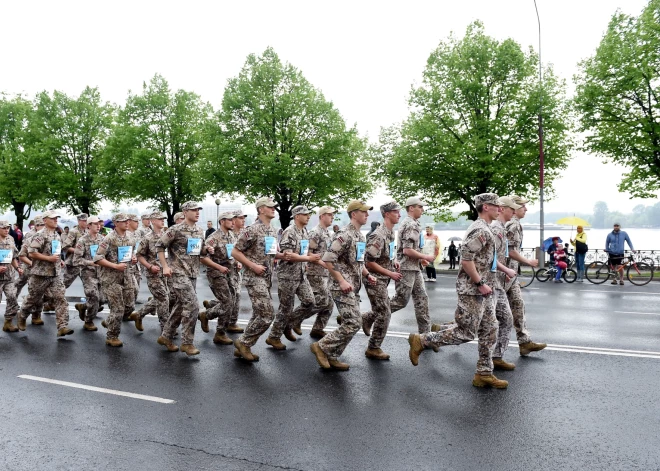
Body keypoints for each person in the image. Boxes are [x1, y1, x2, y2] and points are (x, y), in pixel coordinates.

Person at [408, 193, 514, 389]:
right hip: (472, 290)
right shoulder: (480, 230)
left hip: (483, 289)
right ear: (485, 207)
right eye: (495, 205)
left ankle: (484, 373)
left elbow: (486, 259)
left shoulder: (487, 228)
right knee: (466, 333)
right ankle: (423, 340)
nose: (499, 208)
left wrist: (501, 272)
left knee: (490, 329)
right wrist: (480, 282)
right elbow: (466, 259)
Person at [310, 200, 377, 371]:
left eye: (367, 212)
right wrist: (341, 280)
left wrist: (368, 275)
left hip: (353, 286)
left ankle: (332, 355)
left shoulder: (360, 236)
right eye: (364, 212)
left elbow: (358, 263)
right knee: (354, 322)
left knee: (351, 322)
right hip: (341, 286)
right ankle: (322, 346)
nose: (367, 215)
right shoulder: (344, 234)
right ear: (354, 214)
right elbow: (328, 259)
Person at [368, 196, 437, 337]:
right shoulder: (411, 224)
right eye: (420, 207)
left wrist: (420, 260)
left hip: (414, 267)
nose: (423, 209)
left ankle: (426, 336)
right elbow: (406, 250)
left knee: (422, 299)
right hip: (406, 268)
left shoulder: (413, 223)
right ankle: (368, 317)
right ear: (411, 208)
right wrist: (425, 257)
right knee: (401, 300)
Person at [231, 197, 287, 361]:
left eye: (274, 207)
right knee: (267, 315)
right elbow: (235, 252)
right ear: (261, 209)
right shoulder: (252, 230)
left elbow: (269, 252)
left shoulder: (272, 230)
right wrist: (252, 265)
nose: (274, 209)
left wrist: (281, 255)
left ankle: (244, 346)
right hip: (254, 277)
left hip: (267, 277)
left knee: (258, 314)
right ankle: (244, 342)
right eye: (270, 207)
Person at [156, 201, 208, 355]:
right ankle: (187, 342)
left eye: (198, 210)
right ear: (185, 212)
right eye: (193, 210)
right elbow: (159, 246)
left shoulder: (199, 230)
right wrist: (165, 266)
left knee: (180, 306)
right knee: (192, 305)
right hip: (177, 272)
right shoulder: (175, 230)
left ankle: (166, 336)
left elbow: (201, 251)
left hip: (192, 272)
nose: (197, 212)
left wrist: (207, 249)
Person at [266, 205, 320, 350]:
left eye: (309, 214)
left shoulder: (304, 231)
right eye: (305, 214)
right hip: (288, 276)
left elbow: (304, 252)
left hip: (301, 274)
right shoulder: (290, 232)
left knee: (310, 302)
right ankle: (274, 337)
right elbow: (288, 255)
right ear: (296, 216)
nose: (308, 216)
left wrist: (311, 260)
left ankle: (288, 324)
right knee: (285, 308)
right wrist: (308, 259)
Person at [17, 210, 72, 337]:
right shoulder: (40, 235)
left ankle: (62, 326)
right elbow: (31, 253)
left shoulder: (56, 235)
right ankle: (23, 315)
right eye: (52, 218)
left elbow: (55, 252)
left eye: (56, 218)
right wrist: (49, 259)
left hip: (55, 273)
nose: (55, 220)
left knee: (60, 297)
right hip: (40, 274)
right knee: (33, 298)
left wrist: (60, 261)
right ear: (45, 220)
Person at [504, 195, 546, 357]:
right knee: (482, 314)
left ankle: (524, 342)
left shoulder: (514, 224)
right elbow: (510, 251)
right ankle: (443, 330)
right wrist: (528, 261)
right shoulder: (513, 225)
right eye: (523, 206)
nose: (526, 209)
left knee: (518, 306)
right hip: (505, 274)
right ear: (514, 209)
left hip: (510, 274)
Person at [361, 201, 402, 360]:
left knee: (382, 311)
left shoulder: (390, 232)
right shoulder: (378, 234)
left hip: (383, 278)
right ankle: (373, 348)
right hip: (374, 279)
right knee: (385, 313)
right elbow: (369, 262)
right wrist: (390, 273)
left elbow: (388, 253)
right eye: (396, 212)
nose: (399, 214)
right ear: (386, 214)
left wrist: (394, 261)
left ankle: (366, 318)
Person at [290, 206, 335, 339]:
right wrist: (320, 262)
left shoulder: (327, 232)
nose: (332, 217)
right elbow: (307, 252)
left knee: (329, 303)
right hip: (315, 272)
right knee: (322, 301)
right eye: (330, 215)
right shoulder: (315, 232)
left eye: (333, 215)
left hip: (324, 273)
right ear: (322, 216)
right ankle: (294, 319)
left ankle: (318, 328)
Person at [94, 213, 137, 347]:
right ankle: (112, 336)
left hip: (127, 275)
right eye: (123, 221)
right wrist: (115, 266)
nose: (126, 223)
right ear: (116, 223)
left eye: (127, 221)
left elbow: (131, 251)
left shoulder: (130, 236)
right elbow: (97, 258)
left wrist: (133, 258)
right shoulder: (109, 238)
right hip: (111, 278)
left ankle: (111, 320)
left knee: (130, 306)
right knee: (117, 308)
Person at [199, 211, 240, 345]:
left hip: (230, 272)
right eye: (230, 220)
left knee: (231, 302)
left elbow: (233, 253)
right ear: (222, 221)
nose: (233, 222)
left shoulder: (232, 236)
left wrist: (238, 262)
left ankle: (211, 321)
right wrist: (218, 267)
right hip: (216, 274)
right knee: (227, 302)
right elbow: (203, 258)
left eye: (233, 220)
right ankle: (215, 326)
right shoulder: (213, 238)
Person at [132, 211, 171, 334]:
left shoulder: (167, 235)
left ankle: (139, 314)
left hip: (166, 272)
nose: (162, 220)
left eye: (163, 219)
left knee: (163, 297)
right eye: (160, 219)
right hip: (153, 273)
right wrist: (149, 266)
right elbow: (139, 255)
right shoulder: (147, 238)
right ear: (153, 221)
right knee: (163, 299)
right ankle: (165, 330)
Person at [72, 216, 105, 331]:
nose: (98, 226)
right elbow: (76, 260)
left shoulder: (102, 239)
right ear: (89, 226)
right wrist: (91, 262)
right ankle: (88, 321)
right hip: (88, 273)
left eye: (99, 224)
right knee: (94, 297)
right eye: (95, 224)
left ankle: (83, 306)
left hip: (101, 273)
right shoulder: (82, 241)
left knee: (102, 299)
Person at [0, 220, 22, 333]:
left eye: (7, 228)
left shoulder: (11, 239)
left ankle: (8, 323)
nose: (6, 230)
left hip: (9, 277)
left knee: (13, 298)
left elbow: (13, 257)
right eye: (3, 228)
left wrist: (18, 268)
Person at [61, 213, 88, 288]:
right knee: (63, 285)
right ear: (79, 221)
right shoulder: (74, 231)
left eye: (87, 221)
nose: (86, 222)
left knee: (91, 288)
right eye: (84, 221)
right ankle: (50, 298)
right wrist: (78, 251)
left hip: (85, 263)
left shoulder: (88, 232)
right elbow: (65, 246)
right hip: (73, 264)